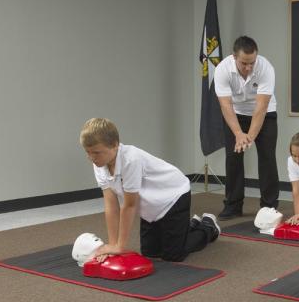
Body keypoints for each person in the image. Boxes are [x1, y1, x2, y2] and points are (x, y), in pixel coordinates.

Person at [79, 118, 220, 262]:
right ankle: (189, 226)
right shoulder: (99, 164)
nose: (91, 158)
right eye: (88, 152)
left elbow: (129, 206)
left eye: (96, 152)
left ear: (115, 145)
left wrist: (120, 247)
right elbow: (111, 205)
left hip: (174, 196)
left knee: (173, 256)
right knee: (150, 253)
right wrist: (112, 245)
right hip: (151, 206)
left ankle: (208, 227)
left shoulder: (130, 160)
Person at [214, 35, 279, 220]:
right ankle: (233, 205)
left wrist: (248, 136)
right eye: (244, 63)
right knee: (233, 158)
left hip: (265, 114)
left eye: (252, 62)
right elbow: (225, 105)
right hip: (235, 113)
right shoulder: (222, 70)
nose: (249, 67)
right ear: (234, 57)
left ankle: (269, 207)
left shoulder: (265, 67)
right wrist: (237, 133)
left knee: (267, 157)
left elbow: (261, 107)